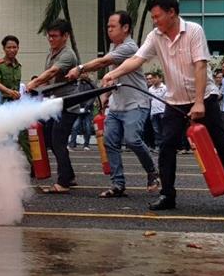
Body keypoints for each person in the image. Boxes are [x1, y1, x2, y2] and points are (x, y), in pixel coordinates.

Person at [102, 0, 224, 212]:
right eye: (152, 17)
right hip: (175, 101)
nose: (154, 21)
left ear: (172, 13)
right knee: (166, 146)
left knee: (222, 145)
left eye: (157, 16)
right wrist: (113, 74)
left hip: (205, 97)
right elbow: (137, 59)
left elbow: (200, 65)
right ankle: (167, 195)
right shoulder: (155, 36)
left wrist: (199, 103)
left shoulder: (194, 31)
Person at [66, 11, 159, 198]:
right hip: (117, 106)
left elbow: (104, 62)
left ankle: (152, 172)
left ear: (125, 28)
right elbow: (113, 77)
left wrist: (80, 68)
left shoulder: (130, 47)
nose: (109, 30)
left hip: (136, 103)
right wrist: (106, 95)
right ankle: (118, 184)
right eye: (108, 26)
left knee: (132, 139)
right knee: (110, 142)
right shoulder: (114, 46)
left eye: (112, 26)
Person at [26, 19, 80, 193]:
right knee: (49, 138)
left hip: (68, 105)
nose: (51, 39)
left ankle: (63, 182)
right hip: (55, 105)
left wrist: (34, 83)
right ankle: (69, 175)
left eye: (55, 36)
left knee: (58, 141)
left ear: (65, 36)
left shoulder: (67, 55)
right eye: (49, 36)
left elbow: (52, 72)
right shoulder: (51, 53)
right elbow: (49, 81)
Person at [0, 35, 31, 166]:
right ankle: (2, 166)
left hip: (16, 105)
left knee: (24, 135)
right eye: (9, 47)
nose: (12, 50)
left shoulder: (18, 66)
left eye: (14, 47)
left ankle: (34, 166)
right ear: (4, 48)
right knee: (5, 137)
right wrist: (9, 92)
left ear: (18, 48)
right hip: (3, 104)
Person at [147, 72, 167, 151]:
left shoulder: (165, 88)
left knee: (164, 130)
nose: (153, 80)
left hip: (163, 111)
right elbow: (150, 100)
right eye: (152, 78)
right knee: (156, 130)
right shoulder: (150, 89)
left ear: (160, 78)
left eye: (155, 78)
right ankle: (159, 146)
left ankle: (166, 146)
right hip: (154, 112)